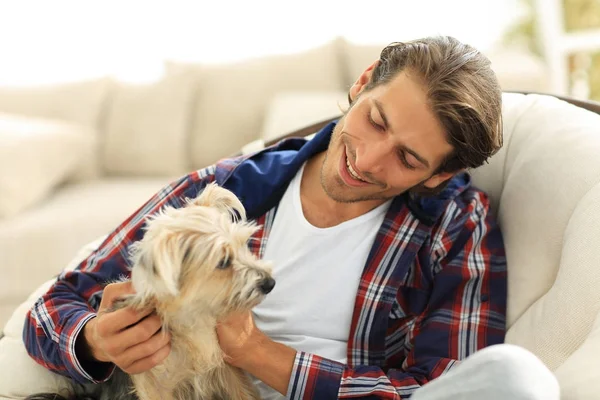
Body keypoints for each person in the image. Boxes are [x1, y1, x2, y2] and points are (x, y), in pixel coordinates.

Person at [23, 36, 559, 399]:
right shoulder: (229, 188)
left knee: (514, 378)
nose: (367, 160)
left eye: (408, 158)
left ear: (439, 174)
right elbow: (53, 304)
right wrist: (94, 337)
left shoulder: (456, 226)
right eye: (376, 120)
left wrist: (256, 353)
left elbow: (439, 386)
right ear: (364, 81)